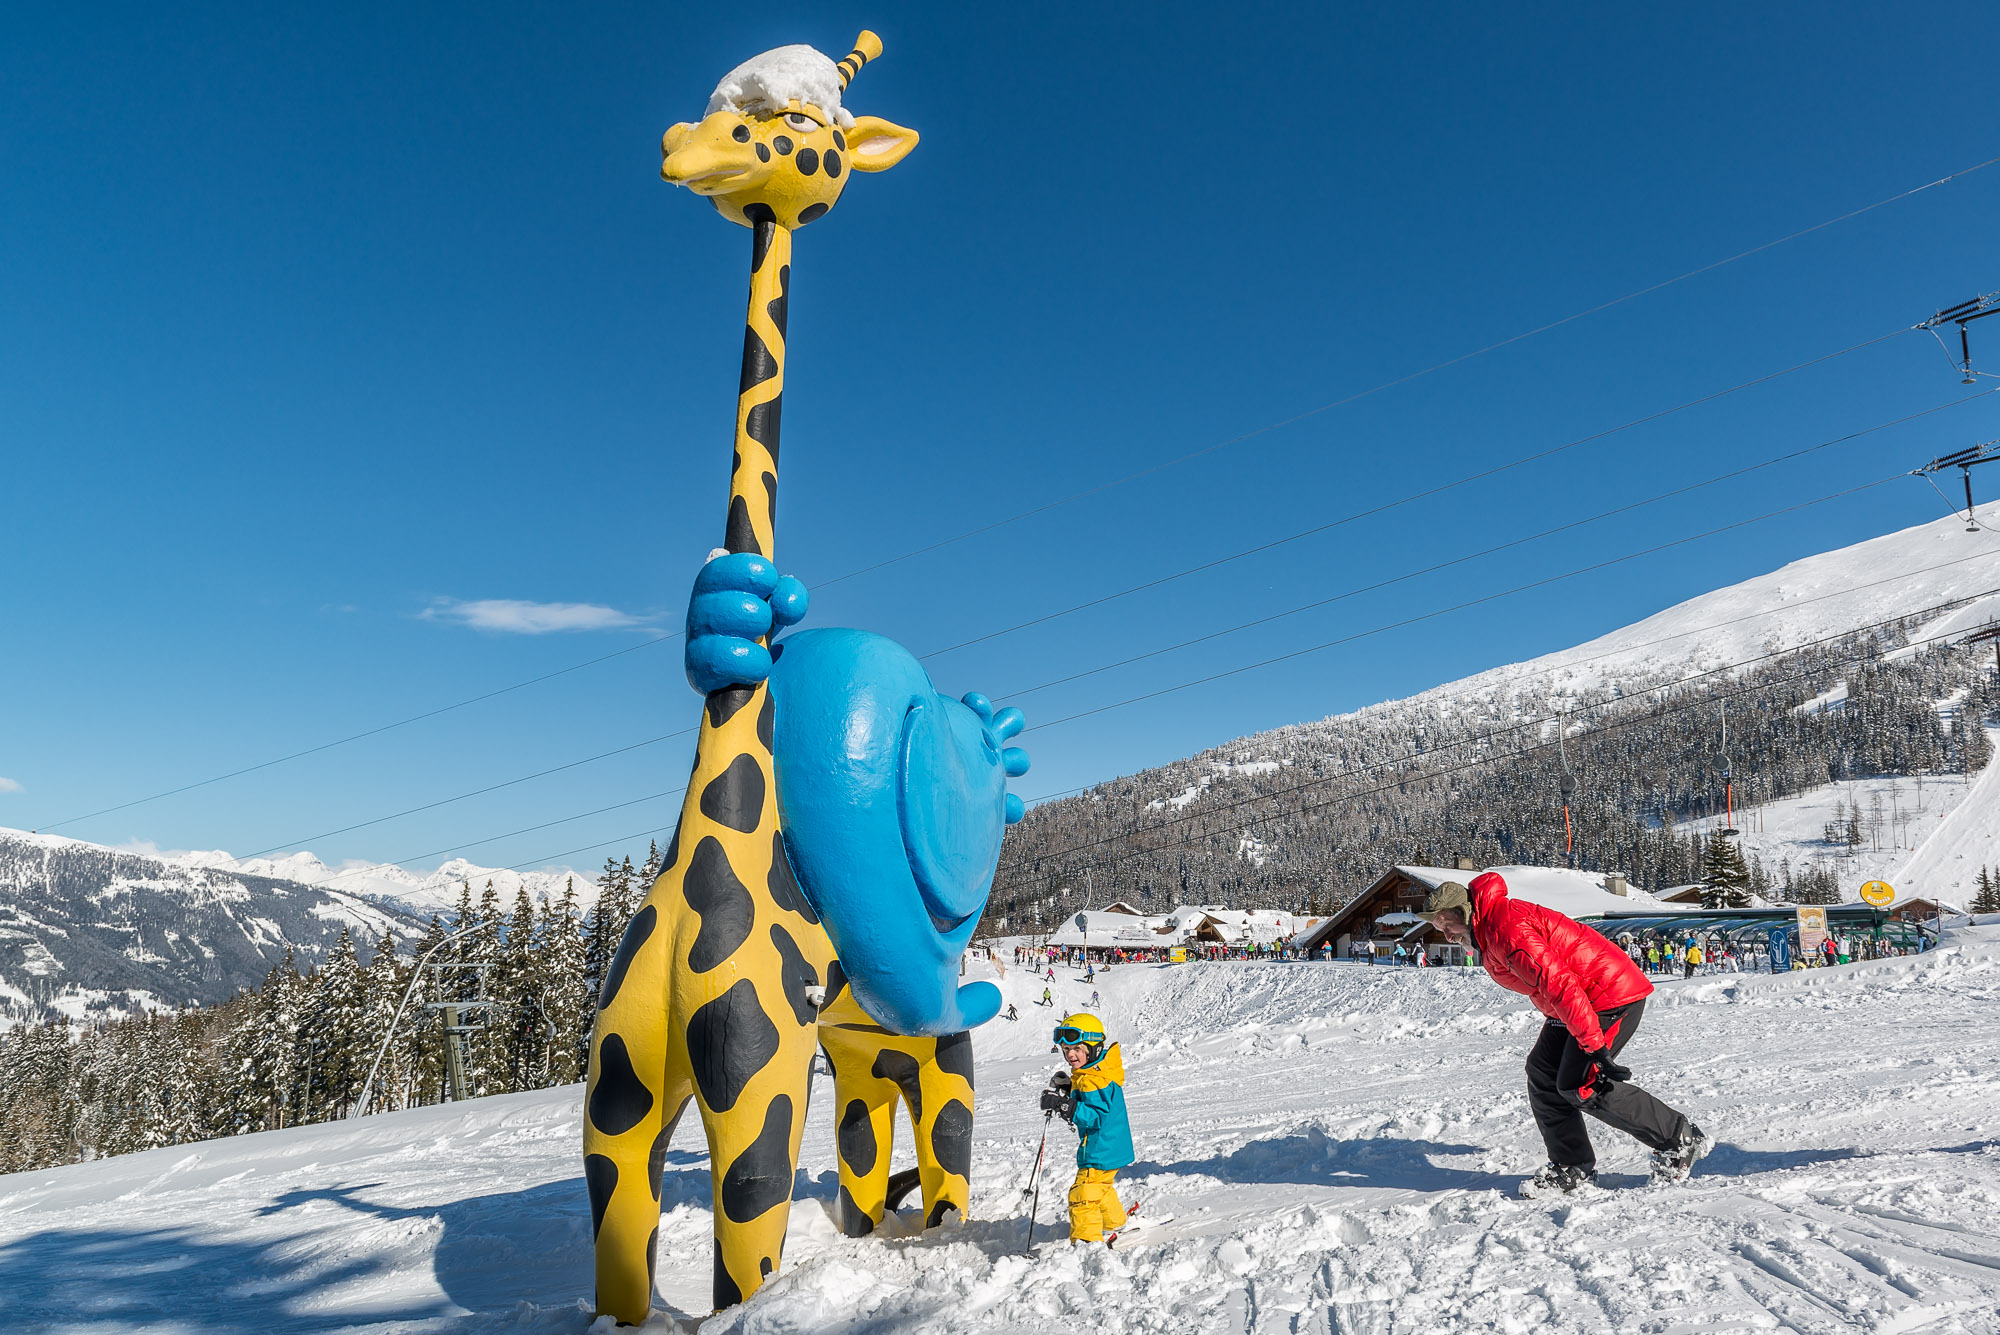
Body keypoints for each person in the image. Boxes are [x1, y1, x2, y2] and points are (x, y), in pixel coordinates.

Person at [1421, 873, 1710, 1195]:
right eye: (1440, 929)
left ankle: (1679, 1137)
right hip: (1574, 1005)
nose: (1446, 936)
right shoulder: (1488, 930)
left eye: (1447, 925)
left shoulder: (1506, 929)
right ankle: (1571, 1166)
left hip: (1609, 997)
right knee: (1543, 1073)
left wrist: (1593, 1045)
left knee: (1580, 1085)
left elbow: (1558, 984)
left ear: (1464, 912)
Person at [1039, 1013, 1134, 1245]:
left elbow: (1096, 1116)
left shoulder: (1093, 1080)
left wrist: (1065, 1105)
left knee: (1083, 1194)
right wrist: (1070, 1088)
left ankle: (1086, 1243)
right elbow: (1093, 1101)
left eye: (1077, 1049)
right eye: (1066, 1049)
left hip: (1100, 1149)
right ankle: (1114, 1222)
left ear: (1094, 1047)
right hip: (1111, 1146)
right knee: (1099, 1187)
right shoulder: (1094, 1072)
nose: (1070, 1055)